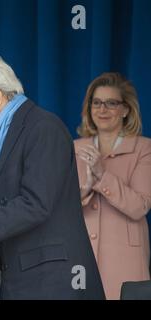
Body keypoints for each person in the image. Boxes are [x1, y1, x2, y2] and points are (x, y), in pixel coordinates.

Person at [0, 55, 105, 299]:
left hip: (53, 280)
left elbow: (36, 203)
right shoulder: (3, 135)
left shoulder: (43, 127)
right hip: (24, 278)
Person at [74, 72, 151, 300]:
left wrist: (102, 174)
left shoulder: (144, 148)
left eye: (111, 103)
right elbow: (61, 208)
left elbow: (139, 206)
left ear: (126, 110)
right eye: (96, 103)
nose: (102, 109)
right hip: (81, 256)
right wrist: (87, 187)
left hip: (125, 258)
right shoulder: (75, 148)